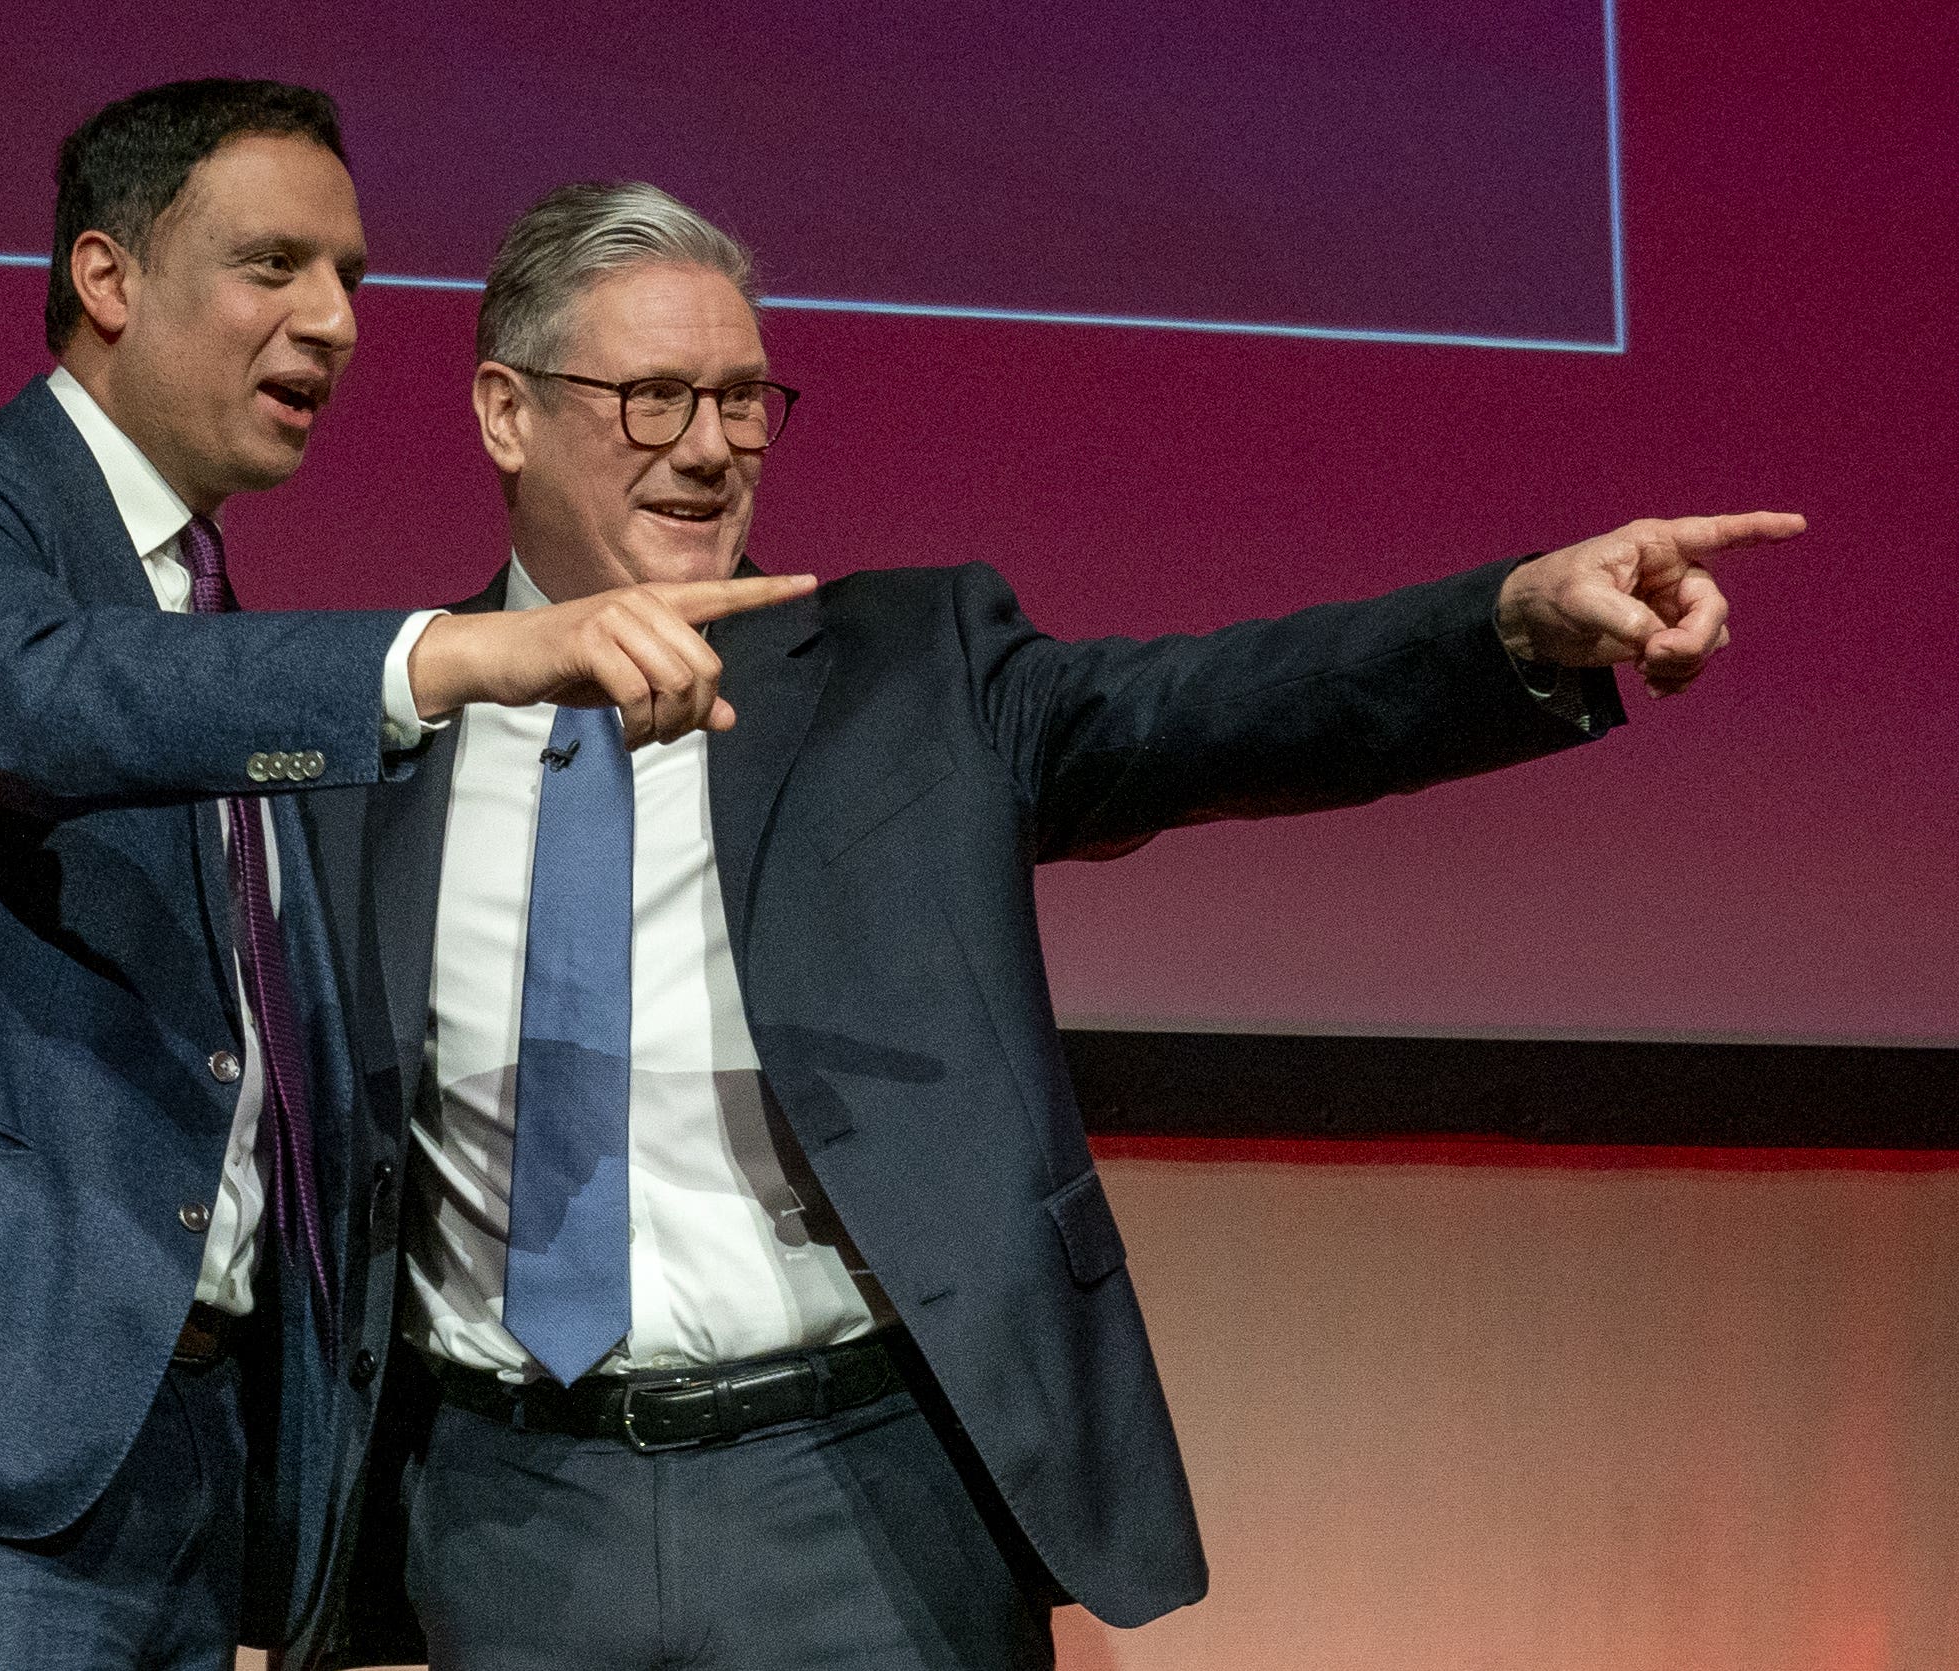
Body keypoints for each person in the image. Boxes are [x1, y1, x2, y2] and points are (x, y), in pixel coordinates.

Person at [309, 182, 1805, 1670]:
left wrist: (1509, 624)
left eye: (744, 401)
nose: (708, 448)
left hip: (862, 1494)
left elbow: (1210, 711)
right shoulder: (369, 735)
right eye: (650, 401)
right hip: (508, 1512)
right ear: (505, 413)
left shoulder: (911, 672)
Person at [0, 92, 806, 1671]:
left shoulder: (210, 624)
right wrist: (454, 653)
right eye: (273, 264)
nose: (333, 322)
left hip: (190, 1469)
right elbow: (27, 700)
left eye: (346, 275)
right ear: (108, 278)